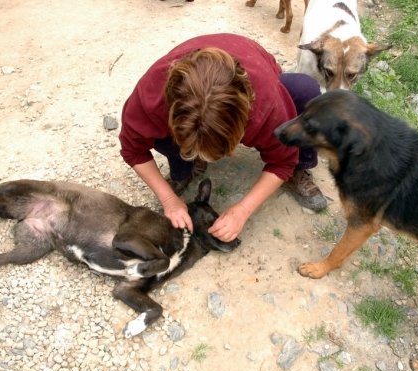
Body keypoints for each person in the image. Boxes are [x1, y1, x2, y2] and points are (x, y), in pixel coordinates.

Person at [119, 33, 326, 243]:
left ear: (245, 124)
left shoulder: (266, 105)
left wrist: (243, 210)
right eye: (195, 150)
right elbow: (132, 149)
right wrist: (169, 199)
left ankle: (301, 168)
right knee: (159, 138)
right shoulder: (151, 96)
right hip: (174, 101)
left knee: (305, 90)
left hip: (257, 70)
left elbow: (283, 162)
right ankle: (185, 168)